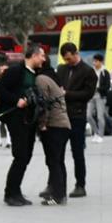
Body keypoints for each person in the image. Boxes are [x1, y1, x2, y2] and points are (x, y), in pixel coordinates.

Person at [0, 45, 44, 207]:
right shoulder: (16, 70)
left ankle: (16, 191)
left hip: (28, 120)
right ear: (34, 56)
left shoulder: (34, 73)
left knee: (26, 156)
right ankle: (10, 193)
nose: (44, 59)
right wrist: (16, 100)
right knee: (20, 156)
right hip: (15, 118)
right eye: (42, 56)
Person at [54, 42, 96, 199]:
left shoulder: (88, 71)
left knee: (77, 153)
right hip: (61, 116)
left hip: (77, 117)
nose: (67, 61)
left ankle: (80, 185)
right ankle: (57, 185)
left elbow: (87, 94)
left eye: (69, 58)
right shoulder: (61, 69)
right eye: (65, 59)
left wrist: (67, 94)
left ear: (75, 53)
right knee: (57, 153)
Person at [35, 64, 71, 206]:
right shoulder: (51, 79)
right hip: (63, 125)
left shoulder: (41, 79)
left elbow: (44, 104)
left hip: (54, 126)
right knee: (58, 161)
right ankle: (61, 194)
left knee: (54, 162)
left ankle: (57, 197)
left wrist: (42, 124)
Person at [88, 54, 111, 142]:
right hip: (91, 96)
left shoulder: (105, 72)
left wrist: (98, 89)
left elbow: (107, 86)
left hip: (100, 96)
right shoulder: (91, 71)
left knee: (100, 116)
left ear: (101, 62)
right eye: (94, 61)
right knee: (88, 116)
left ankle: (100, 135)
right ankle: (96, 132)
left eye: (96, 61)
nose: (94, 63)